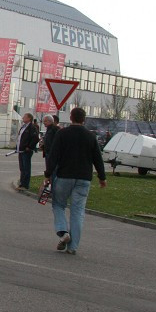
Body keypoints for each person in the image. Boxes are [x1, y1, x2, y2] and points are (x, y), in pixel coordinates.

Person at [44, 107, 106, 255]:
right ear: (84, 119)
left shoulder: (62, 134)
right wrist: (102, 177)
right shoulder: (90, 137)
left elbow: (53, 155)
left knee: (58, 204)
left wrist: (48, 174)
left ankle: (63, 231)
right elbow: (97, 158)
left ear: (70, 118)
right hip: (84, 177)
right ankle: (73, 247)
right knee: (78, 211)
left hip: (64, 175)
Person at [16, 113, 37, 190]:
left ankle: (25, 185)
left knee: (26, 168)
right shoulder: (23, 127)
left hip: (26, 151)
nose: (23, 118)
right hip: (20, 150)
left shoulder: (32, 127)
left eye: (24, 117)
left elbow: (35, 138)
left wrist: (29, 147)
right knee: (22, 168)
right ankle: (21, 183)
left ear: (29, 118)